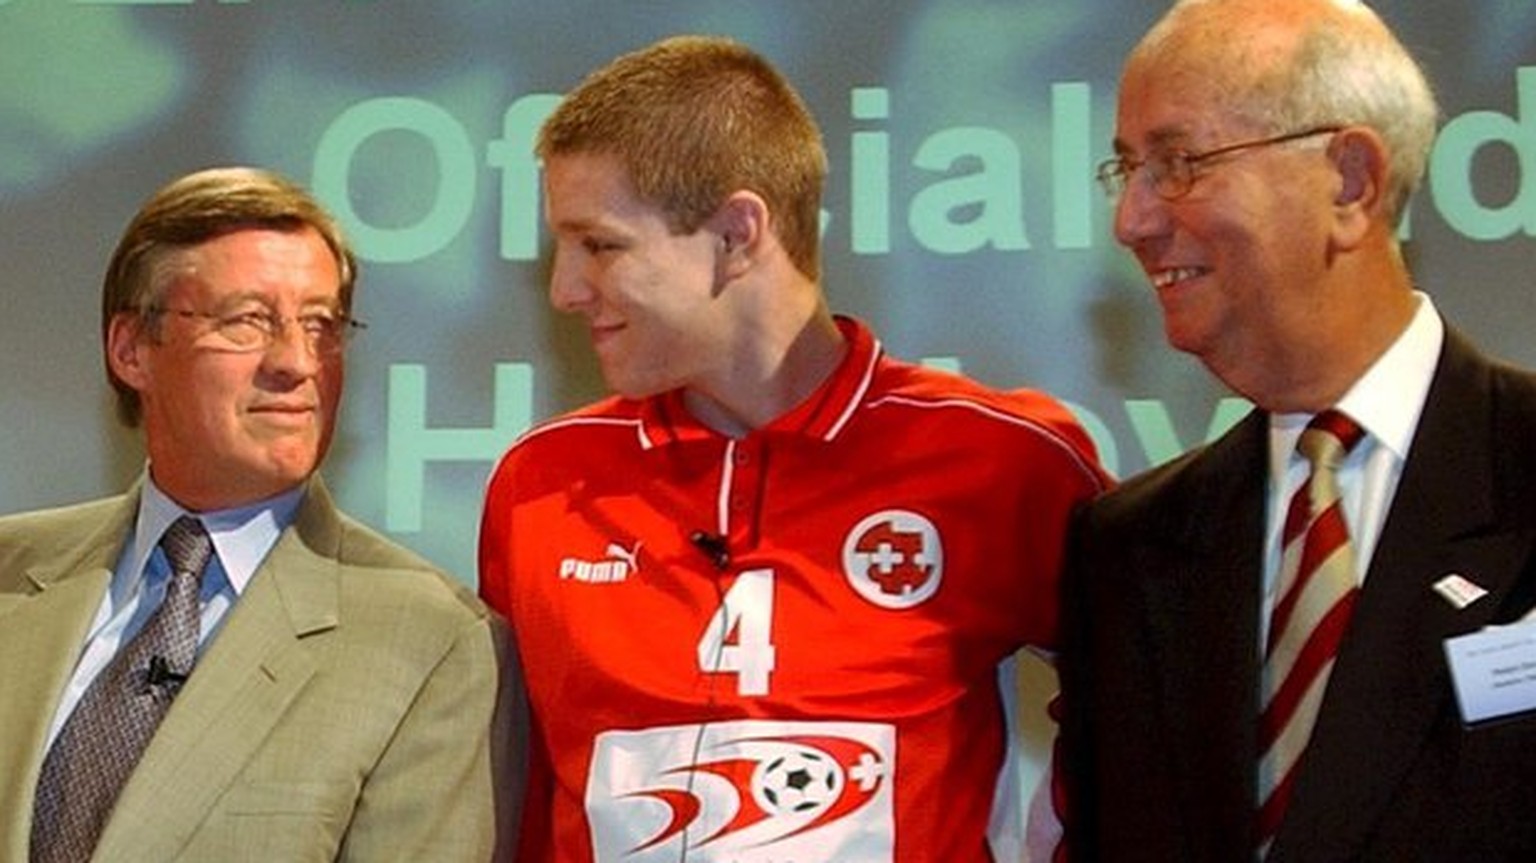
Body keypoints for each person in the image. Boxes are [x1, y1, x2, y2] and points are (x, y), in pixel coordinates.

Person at [478, 34, 1108, 862]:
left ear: (738, 234)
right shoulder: (543, 483)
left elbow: (1160, 712)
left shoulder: (1005, 457)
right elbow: (512, 790)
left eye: (600, 245)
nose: (564, 288)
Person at [1058, 0, 1536, 860]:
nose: (1131, 220)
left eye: (1177, 162)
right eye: (1125, 168)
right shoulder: (1128, 550)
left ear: (1349, 180)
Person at [0, 166, 521, 861]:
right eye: (247, 320)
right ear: (131, 350)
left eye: (321, 324)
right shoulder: (13, 571)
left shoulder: (435, 644)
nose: (296, 362)